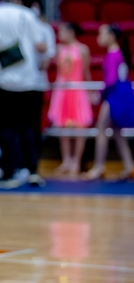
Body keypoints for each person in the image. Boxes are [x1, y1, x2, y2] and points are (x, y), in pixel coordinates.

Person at [0, 0, 46, 185]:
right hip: (30, 81)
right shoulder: (27, 14)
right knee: (29, 128)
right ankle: (32, 170)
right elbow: (40, 46)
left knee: (6, 129)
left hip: (3, 82)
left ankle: (11, 171)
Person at [12, 0, 56, 185]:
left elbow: (48, 54)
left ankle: (32, 168)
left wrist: (41, 54)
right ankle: (18, 166)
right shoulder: (18, 26)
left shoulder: (43, 28)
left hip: (35, 84)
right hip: (16, 83)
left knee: (32, 127)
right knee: (17, 126)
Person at [83, 23, 134, 180]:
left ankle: (99, 167)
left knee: (101, 129)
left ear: (111, 37)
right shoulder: (119, 53)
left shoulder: (113, 55)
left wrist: (99, 95)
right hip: (122, 93)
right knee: (117, 132)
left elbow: (110, 80)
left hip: (114, 95)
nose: (99, 38)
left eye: (102, 34)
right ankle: (129, 166)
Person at [48, 22, 93, 176]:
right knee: (63, 128)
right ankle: (66, 161)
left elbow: (86, 71)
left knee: (80, 127)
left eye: (62, 31)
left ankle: (76, 161)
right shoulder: (58, 49)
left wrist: (90, 90)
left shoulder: (82, 49)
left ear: (71, 32)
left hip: (77, 90)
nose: (59, 35)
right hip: (62, 91)